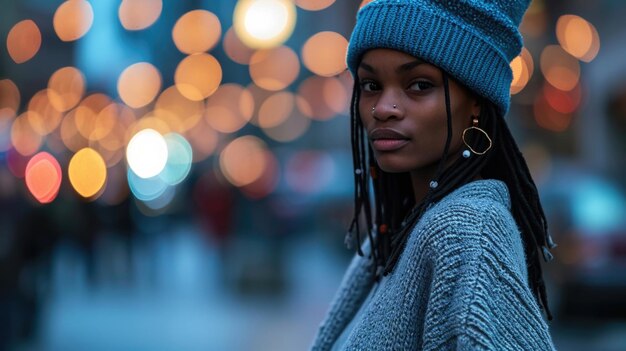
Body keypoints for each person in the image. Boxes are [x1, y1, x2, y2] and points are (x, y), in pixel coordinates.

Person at [310, 0, 558, 350]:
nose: (383, 108)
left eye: (420, 85)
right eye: (371, 85)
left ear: (476, 99)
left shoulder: (467, 230)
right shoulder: (396, 235)